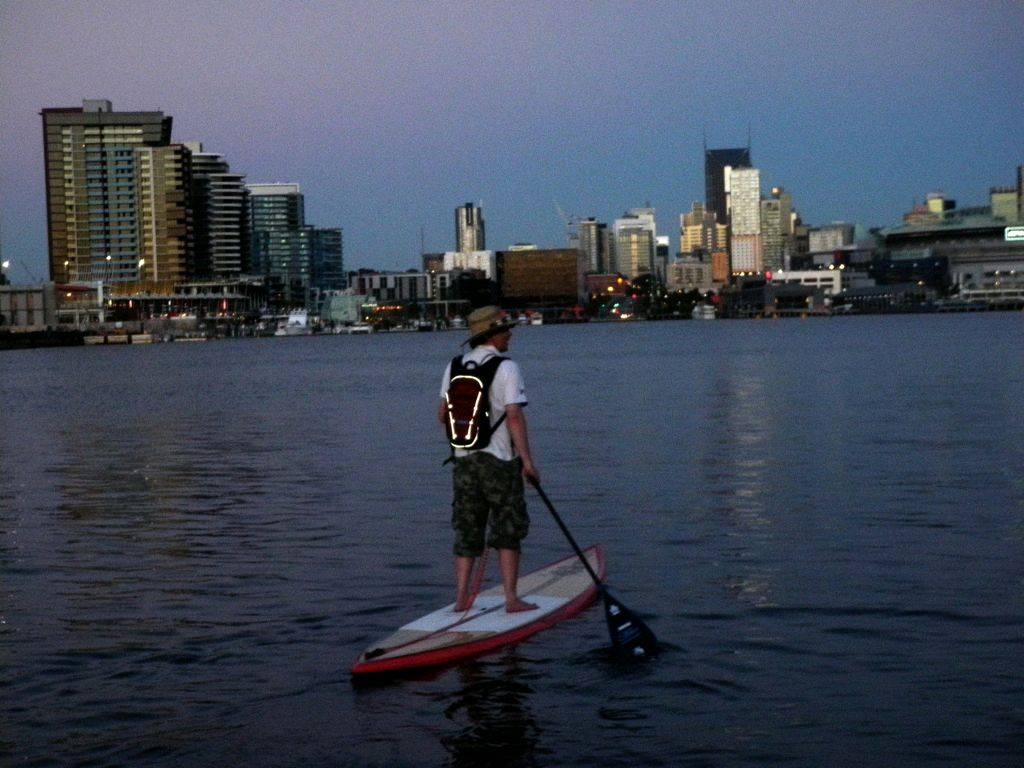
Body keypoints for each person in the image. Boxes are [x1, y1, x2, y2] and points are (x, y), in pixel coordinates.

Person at [438, 305, 541, 613]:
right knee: (508, 528)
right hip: (499, 460)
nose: (510, 333)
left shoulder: (454, 366)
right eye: (505, 329)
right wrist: (529, 463)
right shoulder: (506, 367)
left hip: (464, 462)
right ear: (492, 334)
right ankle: (511, 598)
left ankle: (461, 598)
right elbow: (514, 417)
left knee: (468, 528)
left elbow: (442, 415)